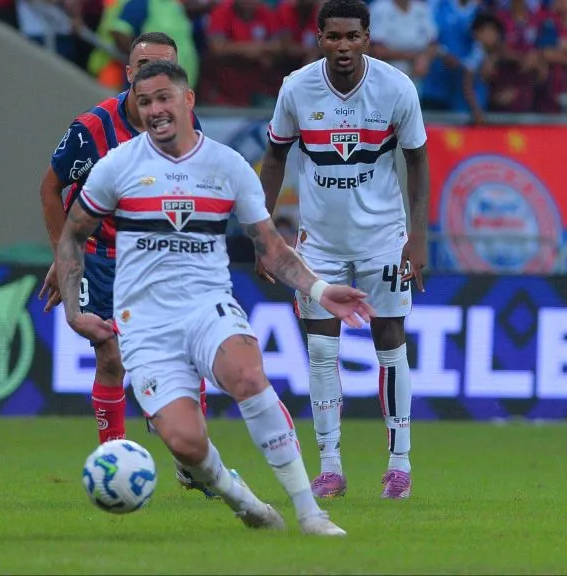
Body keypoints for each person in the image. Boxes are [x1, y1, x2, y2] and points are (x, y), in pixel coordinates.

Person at [55, 60, 374, 535]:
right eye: (144, 103)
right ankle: (241, 499)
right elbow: (72, 236)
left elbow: (272, 248)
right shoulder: (117, 167)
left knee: (247, 375)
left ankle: (310, 512)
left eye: (164, 98)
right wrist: (76, 312)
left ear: (188, 100)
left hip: (207, 306)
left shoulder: (226, 166)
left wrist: (322, 290)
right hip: (144, 324)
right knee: (184, 443)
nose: (155, 110)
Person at [38, 31, 236, 498]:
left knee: (188, 356)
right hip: (104, 256)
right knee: (111, 354)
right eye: (144, 65)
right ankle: (115, 461)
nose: (152, 75)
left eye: (164, 66)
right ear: (129, 74)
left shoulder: (187, 124)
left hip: (160, 255)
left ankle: (193, 458)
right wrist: (61, 252)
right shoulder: (92, 129)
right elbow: (50, 187)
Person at [259, 0, 429, 500]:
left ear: (367, 37)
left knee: (391, 342)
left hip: (384, 238)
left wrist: (417, 237)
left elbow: (418, 164)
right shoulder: (297, 88)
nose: (344, 46)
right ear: (319, 38)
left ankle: (399, 464)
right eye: (334, 37)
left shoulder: (397, 89)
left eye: (352, 36)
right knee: (321, 351)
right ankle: (330, 465)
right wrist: (266, 234)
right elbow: (273, 157)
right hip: (320, 243)